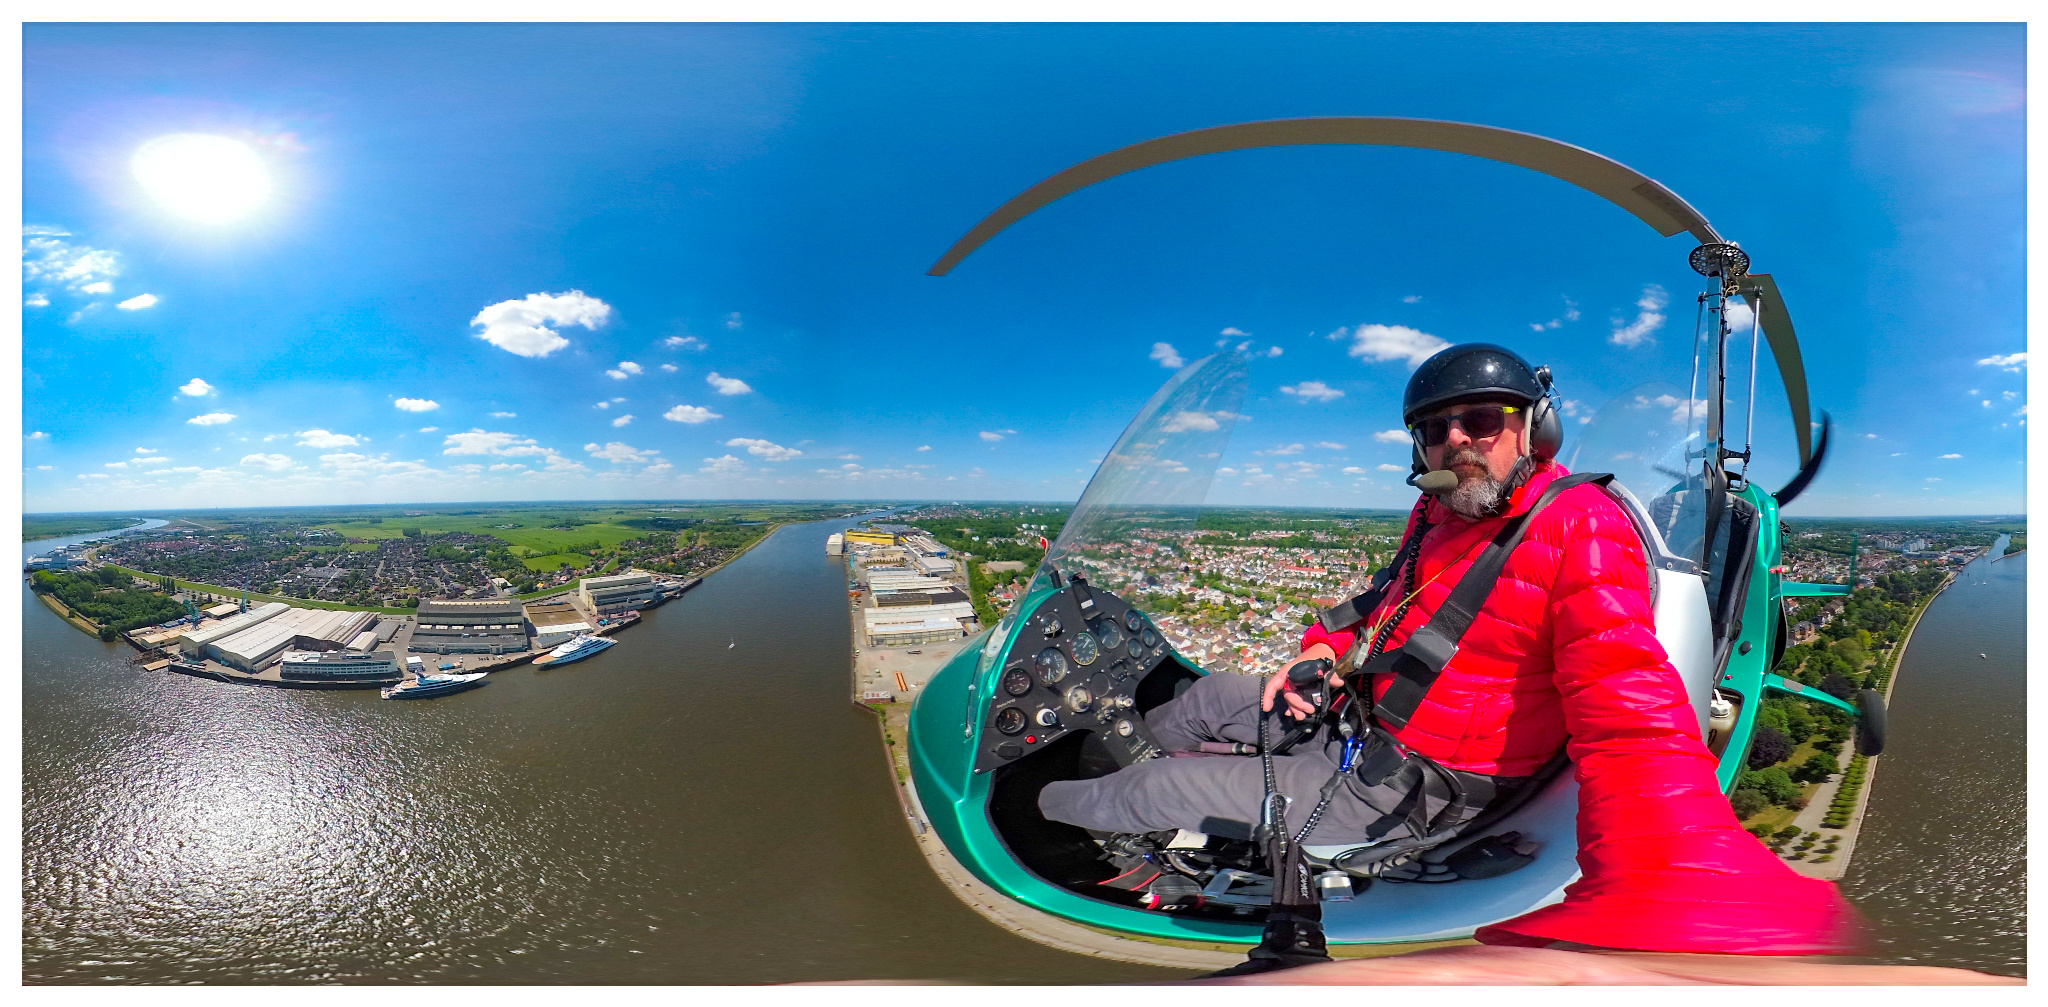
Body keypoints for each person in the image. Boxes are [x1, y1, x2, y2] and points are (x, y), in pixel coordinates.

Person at [1038, 342, 1858, 955]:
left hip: (1410, 789)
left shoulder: (1580, 528)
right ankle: (1126, 764)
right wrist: (1321, 653)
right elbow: (1384, 601)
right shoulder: (1444, 513)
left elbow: (1631, 711)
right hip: (1367, 724)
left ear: (1533, 429)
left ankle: (1038, 814)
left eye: (1479, 420)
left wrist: (1678, 873)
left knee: (1146, 793)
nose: (1454, 440)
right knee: (1215, 695)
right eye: (1434, 429)